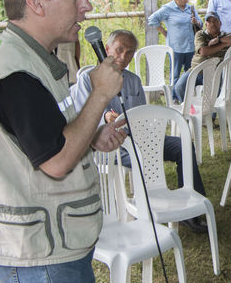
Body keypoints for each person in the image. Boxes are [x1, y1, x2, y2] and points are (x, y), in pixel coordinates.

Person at [0, 0, 127, 283]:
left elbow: (42, 139)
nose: (86, 6)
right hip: (42, 256)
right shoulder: (15, 73)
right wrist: (101, 93)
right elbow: (56, 161)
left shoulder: (31, 61)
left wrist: (90, 137)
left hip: (51, 244)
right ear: (36, 4)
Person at [71, 29, 208, 233]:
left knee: (182, 145)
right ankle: (146, 208)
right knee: (141, 156)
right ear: (107, 49)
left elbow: (142, 116)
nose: (123, 56)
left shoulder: (133, 80)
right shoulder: (87, 80)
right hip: (109, 147)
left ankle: (190, 212)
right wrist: (105, 119)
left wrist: (147, 128)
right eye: (119, 50)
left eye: (129, 53)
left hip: (139, 138)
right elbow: (83, 121)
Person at [173, 11, 231, 102]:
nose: (212, 24)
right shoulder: (200, 34)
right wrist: (223, 45)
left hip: (214, 72)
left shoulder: (225, 35)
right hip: (195, 70)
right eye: (209, 21)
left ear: (220, 23)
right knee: (179, 87)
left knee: (213, 94)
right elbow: (203, 52)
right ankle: (191, 111)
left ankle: (211, 115)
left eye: (215, 21)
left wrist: (219, 40)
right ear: (206, 24)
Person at [147, 0, 203, 91]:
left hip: (190, 47)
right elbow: (152, 19)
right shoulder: (168, 8)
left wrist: (196, 21)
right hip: (175, 48)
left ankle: (188, 96)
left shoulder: (190, 8)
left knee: (190, 74)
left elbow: (201, 24)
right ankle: (174, 97)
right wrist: (164, 32)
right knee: (175, 75)